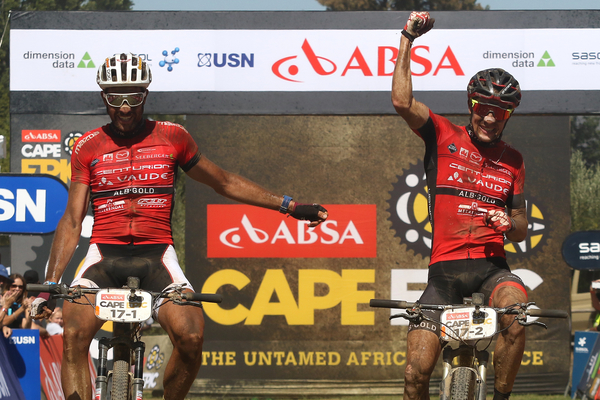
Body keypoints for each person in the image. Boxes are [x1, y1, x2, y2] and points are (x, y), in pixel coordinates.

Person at [31, 52, 328, 400]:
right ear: (103, 97)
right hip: (103, 258)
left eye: (134, 97)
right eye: (115, 98)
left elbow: (225, 182)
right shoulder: (87, 146)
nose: (125, 107)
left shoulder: (173, 137)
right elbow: (72, 219)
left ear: (146, 94)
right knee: (73, 332)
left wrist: (291, 206)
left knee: (191, 337)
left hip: (157, 257)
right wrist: (49, 286)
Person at [391, 12, 528, 400]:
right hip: (444, 276)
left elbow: (521, 224)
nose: (489, 117)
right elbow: (402, 101)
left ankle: (500, 397)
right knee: (414, 374)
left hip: (492, 270)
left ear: (508, 115)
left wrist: (508, 223)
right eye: (482, 106)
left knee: (518, 315)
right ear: (471, 103)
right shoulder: (442, 134)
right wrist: (407, 39)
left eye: (499, 112)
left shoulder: (513, 160)